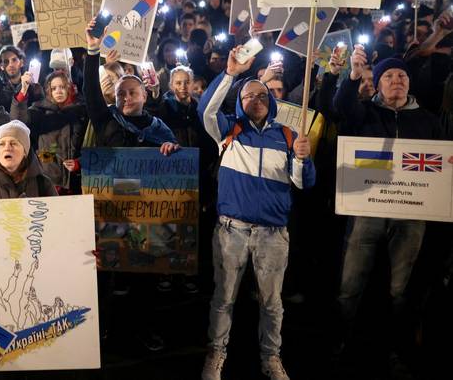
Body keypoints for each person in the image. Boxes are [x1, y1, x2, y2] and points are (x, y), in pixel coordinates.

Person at [198, 46, 315, 380]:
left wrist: (303, 158)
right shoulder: (228, 131)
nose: (255, 99)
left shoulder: (290, 136)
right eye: (248, 96)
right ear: (239, 102)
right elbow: (205, 110)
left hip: (273, 235)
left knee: (271, 302)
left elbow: (303, 183)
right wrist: (232, 73)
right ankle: (216, 353)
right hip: (231, 231)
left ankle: (271, 358)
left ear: (271, 101)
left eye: (261, 94)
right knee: (224, 298)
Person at [330, 50, 446, 374]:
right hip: (366, 211)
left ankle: (398, 349)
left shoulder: (428, 121)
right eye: (389, 77)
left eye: (402, 77)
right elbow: (340, 106)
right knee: (350, 285)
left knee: (400, 289)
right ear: (378, 85)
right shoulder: (364, 113)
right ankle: (341, 343)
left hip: (411, 214)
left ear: (410, 84)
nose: (397, 81)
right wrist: (353, 76)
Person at [83, 21, 179, 153]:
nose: (126, 98)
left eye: (132, 92)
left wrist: (171, 148)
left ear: (144, 96)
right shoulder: (106, 120)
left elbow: (177, 162)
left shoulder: (159, 129)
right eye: (121, 94)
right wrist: (93, 49)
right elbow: (91, 90)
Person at [11, 70, 87, 193]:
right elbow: (17, 123)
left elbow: (90, 143)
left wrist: (79, 163)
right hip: (47, 183)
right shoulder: (39, 111)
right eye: (54, 88)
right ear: (48, 91)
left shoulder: (81, 112)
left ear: (69, 89)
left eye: (62, 87)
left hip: (77, 183)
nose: (58, 91)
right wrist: (23, 90)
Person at [0, 45, 43, 112]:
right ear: (1, 66)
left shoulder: (32, 85)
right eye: (6, 61)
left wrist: (34, 87)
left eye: (14, 60)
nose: (11, 64)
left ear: (21, 62)